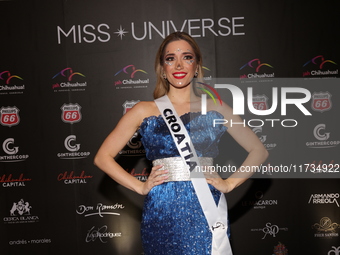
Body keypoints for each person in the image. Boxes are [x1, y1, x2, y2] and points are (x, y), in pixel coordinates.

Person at [94, 32, 268, 254]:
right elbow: (102, 157)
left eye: (187, 57)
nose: (178, 64)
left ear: (196, 66)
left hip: (206, 210)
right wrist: (140, 186)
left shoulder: (217, 108)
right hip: (161, 211)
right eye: (170, 58)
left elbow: (258, 151)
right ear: (162, 68)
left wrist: (229, 184)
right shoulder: (143, 110)